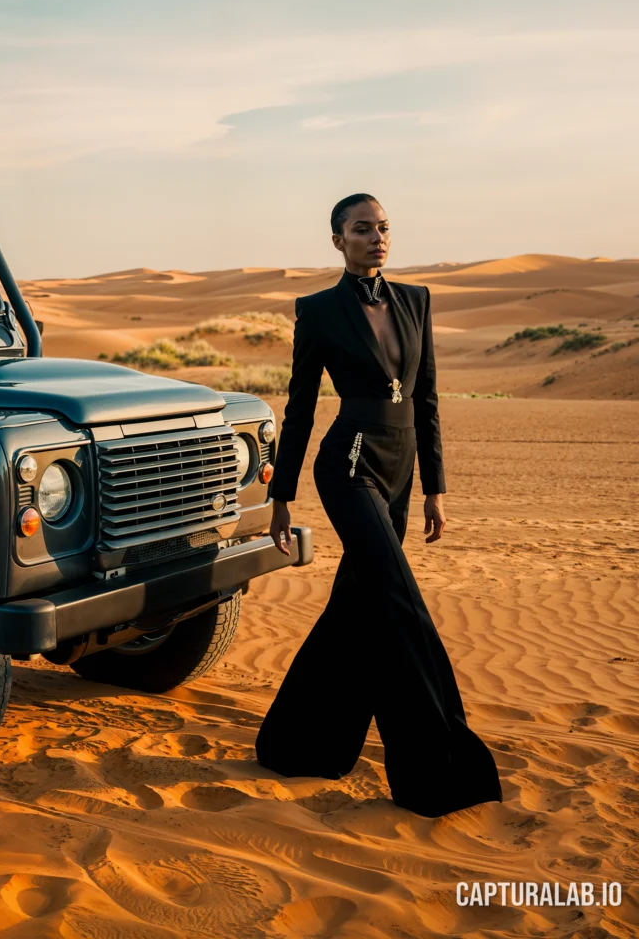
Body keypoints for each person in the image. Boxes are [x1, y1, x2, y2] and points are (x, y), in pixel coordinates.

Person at [255, 193, 502, 818]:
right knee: (398, 602)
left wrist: (434, 488)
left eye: (383, 228)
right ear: (338, 241)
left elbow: (429, 400)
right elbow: (303, 406)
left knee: (357, 606)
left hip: (400, 470)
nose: (377, 238)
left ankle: (298, 742)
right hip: (348, 466)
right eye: (362, 229)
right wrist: (280, 496)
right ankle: (439, 764)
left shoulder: (416, 300)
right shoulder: (317, 311)